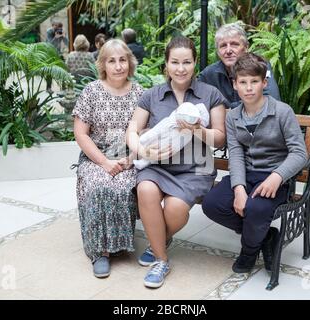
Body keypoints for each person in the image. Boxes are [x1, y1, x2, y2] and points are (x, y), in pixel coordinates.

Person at [126, 36, 226, 288]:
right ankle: (161, 259)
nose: (181, 68)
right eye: (175, 62)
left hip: (195, 169)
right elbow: (132, 131)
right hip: (158, 167)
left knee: (175, 210)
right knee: (145, 189)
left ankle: (158, 238)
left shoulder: (210, 94)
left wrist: (196, 130)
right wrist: (144, 152)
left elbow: (220, 138)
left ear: (195, 64)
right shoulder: (153, 95)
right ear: (166, 65)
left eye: (187, 62)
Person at [201, 53, 307, 274]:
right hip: (247, 175)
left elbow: (299, 153)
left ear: (264, 83)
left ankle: (248, 252)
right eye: (243, 82)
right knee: (211, 204)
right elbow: (237, 154)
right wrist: (239, 188)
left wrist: (277, 177)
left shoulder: (282, 112)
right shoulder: (233, 116)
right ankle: (266, 234)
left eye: (254, 81)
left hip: (276, 179)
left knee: (256, 209)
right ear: (235, 85)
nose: (249, 88)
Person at [72, 39, 143, 278]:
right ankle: (100, 252)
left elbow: (144, 132)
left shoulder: (139, 92)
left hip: (127, 157)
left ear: (130, 63)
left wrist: (132, 157)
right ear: (103, 64)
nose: (118, 66)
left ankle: (121, 244)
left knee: (123, 186)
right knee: (98, 185)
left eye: (122, 59)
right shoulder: (91, 91)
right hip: (95, 157)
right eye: (111, 61)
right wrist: (103, 162)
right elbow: (80, 134)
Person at [199, 23, 280, 109]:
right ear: (218, 52)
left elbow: (272, 99)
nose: (228, 50)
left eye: (234, 44)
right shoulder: (209, 74)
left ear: (246, 47)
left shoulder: (260, 65)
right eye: (223, 46)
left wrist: (227, 107)